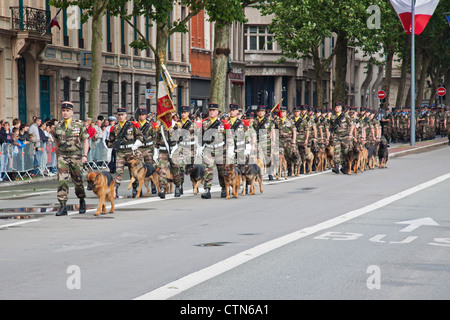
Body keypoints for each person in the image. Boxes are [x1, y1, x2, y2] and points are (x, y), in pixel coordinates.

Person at [51, 101, 90, 216]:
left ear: (72, 112)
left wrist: (85, 155)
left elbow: (85, 140)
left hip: (76, 156)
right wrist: (58, 159)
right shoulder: (58, 127)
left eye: (67, 111)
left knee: (78, 181)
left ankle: (82, 200)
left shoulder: (79, 124)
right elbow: (56, 145)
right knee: (62, 181)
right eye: (63, 111)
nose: (65, 113)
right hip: (63, 156)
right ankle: (63, 206)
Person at [107, 107, 143, 197]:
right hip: (120, 152)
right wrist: (109, 151)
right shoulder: (114, 127)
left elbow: (140, 137)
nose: (120, 117)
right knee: (118, 171)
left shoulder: (132, 125)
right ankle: (115, 188)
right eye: (119, 115)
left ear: (126, 115)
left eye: (122, 115)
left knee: (133, 171)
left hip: (131, 151)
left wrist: (136, 145)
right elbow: (111, 141)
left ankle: (135, 188)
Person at [155, 113, 183, 199]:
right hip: (163, 151)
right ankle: (162, 188)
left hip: (174, 150)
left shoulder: (176, 126)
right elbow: (156, 141)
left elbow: (181, 139)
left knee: (175, 169)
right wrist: (155, 153)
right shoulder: (161, 128)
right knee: (162, 170)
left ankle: (177, 186)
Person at [329, 101, 355, 174]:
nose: (336, 108)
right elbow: (331, 125)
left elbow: (352, 125)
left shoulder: (345, 116)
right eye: (336, 107)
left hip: (345, 136)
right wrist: (331, 133)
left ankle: (345, 166)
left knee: (345, 151)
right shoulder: (333, 116)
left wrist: (350, 134)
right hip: (336, 136)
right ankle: (336, 166)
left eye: (338, 107)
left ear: (341, 108)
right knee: (336, 151)